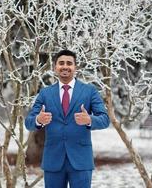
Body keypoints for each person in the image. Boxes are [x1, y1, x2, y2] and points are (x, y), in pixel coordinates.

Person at [25, 49, 110, 188]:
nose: (65, 66)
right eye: (61, 63)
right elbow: (29, 122)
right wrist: (38, 120)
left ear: (75, 67)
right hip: (53, 160)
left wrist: (89, 120)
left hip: (81, 160)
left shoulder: (89, 91)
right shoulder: (45, 93)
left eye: (69, 63)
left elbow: (105, 119)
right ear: (55, 67)